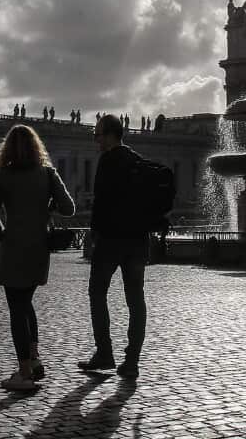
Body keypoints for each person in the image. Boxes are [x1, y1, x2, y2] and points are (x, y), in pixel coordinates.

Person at [0, 124, 76, 391]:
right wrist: (48, 207)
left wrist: (4, 238)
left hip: (13, 247)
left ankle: (24, 373)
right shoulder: (48, 173)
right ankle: (34, 360)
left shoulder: (1, 175)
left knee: (17, 309)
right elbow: (69, 208)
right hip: (39, 248)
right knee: (26, 304)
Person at [78, 114, 146, 379]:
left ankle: (105, 352)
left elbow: (101, 200)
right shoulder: (138, 161)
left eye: (98, 134)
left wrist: (94, 234)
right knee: (136, 300)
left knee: (97, 293)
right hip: (138, 240)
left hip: (111, 240)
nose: (95, 139)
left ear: (110, 135)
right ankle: (132, 361)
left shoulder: (108, 160)